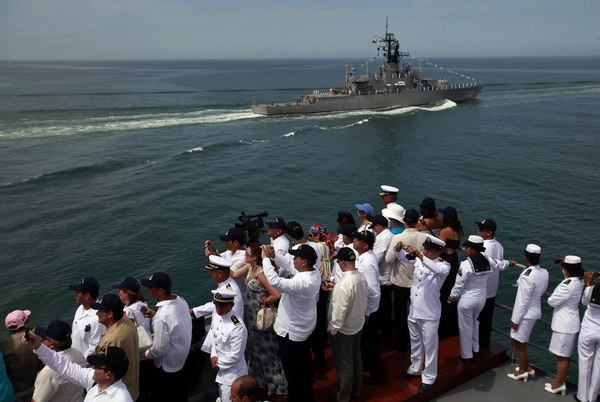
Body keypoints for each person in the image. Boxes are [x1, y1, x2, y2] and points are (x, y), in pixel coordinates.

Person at [261, 244, 320, 402]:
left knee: (294, 373)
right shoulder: (313, 273)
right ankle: (307, 396)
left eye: (296, 257)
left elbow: (274, 281)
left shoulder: (302, 283)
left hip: (292, 334)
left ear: (304, 262)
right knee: (304, 369)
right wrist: (274, 256)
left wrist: (266, 259)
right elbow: (288, 265)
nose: (293, 259)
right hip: (303, 330)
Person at [394, 236, 450, 394]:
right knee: (415, 342)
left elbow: (436, 270)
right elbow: (402, 257)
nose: (425, 251)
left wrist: (419, 254)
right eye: (424, 249)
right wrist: (397, 249)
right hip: (414, 310)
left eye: (428, 250)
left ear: (439, 251)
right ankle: (415, 368)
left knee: (430, 346)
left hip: (429, 313)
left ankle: (429, 378)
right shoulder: (420, 259)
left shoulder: (444, 266)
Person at [448, 235, 513, 362]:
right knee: (474, 323)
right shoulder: (488, 259)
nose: (465, 249)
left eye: (467, 247)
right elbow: (500, 265)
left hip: (467, 300)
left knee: (465, 327)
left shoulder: (466, 265)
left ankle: (466, 356)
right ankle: (475, 348)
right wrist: (510, 263)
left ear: (473, 250)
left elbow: (459, 285)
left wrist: (451, 298)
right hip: (481, 299)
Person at [24, 331, 132, 402]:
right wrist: (38, 346)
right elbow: (64, 366)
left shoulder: (121, 399)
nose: (92, 367)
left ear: (108, 374)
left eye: (97, 366)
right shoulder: (95, 381)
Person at [243, 242, 287, 396]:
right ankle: (261, 382)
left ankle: (276, 386)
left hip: (263, 320)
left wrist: (266, 301)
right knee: (256, 351)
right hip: (254, 319)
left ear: (254, 257)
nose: (245, 256)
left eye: (247, 254)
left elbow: (276, 294)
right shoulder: (251, 268)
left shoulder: (260, 273)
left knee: (268, 354)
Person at [141, 272, 192, 402]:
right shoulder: (180, 299)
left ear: (160, 291)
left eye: (151, 287)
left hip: (168, 369)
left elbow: (159, 350)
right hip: (182, 361)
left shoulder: (162, 316)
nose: (148, 289)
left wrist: (146, 354)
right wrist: (155, 316)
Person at [328, 247, 368, 402]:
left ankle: (343, 397)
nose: (338, 263)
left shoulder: (343, 284)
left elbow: (338, 312)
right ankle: (356, 391)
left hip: (344, 330)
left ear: (343, 262)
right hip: (358, 325)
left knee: (344, 365)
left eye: (338, 261)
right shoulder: (361, 277)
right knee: (356, 360)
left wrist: (333, 329)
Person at [384, 208, 427, 351]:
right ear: (417, 222)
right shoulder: (424, 238)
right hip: (418, 282)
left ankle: (401, 342)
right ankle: (417, 341)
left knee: (400, 314)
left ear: (404, 221)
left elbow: (389, 259)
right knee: (416, 313)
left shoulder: (398, 238)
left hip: (400, 281)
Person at [507, 244, 549, 381]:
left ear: (526, 258)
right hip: (534, 310)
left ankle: (522, 370)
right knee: (516, 340)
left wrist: (515, 320)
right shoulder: (544, 272)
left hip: (525, 314)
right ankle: (528, 367)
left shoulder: (527, 275)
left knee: (520, 343)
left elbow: (522, 301)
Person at [545, 256, 585, 395]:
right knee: (563, 356)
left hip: (564, 325)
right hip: (570, 323)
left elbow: (552, 301)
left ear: (567, 271)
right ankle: (558, 381)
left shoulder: (567, 285)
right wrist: (564, 264)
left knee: (562, 356)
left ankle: (558, 383)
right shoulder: (580, 281)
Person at [353, 229, 386, 385]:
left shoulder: (367, 263)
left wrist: (367, 313)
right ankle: (368, 366)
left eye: (357, 240)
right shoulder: (366, 257)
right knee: (366, 343)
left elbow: (373, 291)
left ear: (365, 245)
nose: (355, 240)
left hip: (368, 311)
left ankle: (378, 373)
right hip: (367, 309)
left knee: (370, 344)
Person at [92, 294, 139, 400]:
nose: (97, 313)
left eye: (100, 311)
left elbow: (106, 372)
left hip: (119, 394)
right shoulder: (128, 323)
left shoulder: (111, 340)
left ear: (109, 314)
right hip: (133, 388)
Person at [31, 320, 86, 402]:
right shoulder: (78, 354)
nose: (40, 341)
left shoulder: (48, 372)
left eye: (42, 338)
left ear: (52, 344)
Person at [209, 289, 248, 402]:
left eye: (223, 306)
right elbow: (214, 338)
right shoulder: (217, 316)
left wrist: (218, 363)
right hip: (221, 372)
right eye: (217, 305)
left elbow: (235, 355)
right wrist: (213, 355)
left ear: (232, 305)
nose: (219, 309)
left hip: (234, 376)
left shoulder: (237, 327)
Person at [0, 310, 44, 402]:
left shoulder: (3, 346)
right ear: (26, 324)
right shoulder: (38, 337)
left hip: (18, 392)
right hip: (41, 386)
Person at [475, 218, 505, 349]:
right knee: (487, 321)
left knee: (477, 321)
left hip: (481, 289)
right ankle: (485, 345)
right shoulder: (499, 246)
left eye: (481, 229)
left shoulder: (483, 248)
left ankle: (477, 346)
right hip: (492, 289)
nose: (478, 230)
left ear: (489, 233)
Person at [437, 206, 463, 338]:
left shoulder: (445, 230)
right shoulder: (458, 229)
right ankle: (453, 323)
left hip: (446, 259)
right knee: (451, 287)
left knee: (443, 290)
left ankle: (443, 326)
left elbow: (440, 248)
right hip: (454, 259)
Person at [205, 227, 248, 303]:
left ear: (235, 243)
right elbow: (219, 257)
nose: (225, 242)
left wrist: (211, 256)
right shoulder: (231, 252)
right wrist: (211, 250)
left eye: (227, 241)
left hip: (239, 299)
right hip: (229, 293)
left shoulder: (243, 258)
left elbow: (227, 272)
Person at [576, 270, 600, 402]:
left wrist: (588, 283)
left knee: (585, 363)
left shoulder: (591, 289)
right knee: (599, 367)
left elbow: (584, 302)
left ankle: (582, 397)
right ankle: (592, 398)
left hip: (588, 330)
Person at [69, 277, 106, 357]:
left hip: (85, 365)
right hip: (74, 359)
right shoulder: (80, 309)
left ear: (86, 296)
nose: (75, 294)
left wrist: (81, 364)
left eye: (78, 293)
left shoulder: (97, 318)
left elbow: (94, 347)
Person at [371, 214, 394, 335]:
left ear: (378, 226)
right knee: (387, 304)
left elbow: (375, 259)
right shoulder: (391, 235)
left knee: (382, 305)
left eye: (374, 228)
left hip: (382, 277)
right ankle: (387, 328)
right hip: (390, 275)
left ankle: (382, 330)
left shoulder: (381, 239)